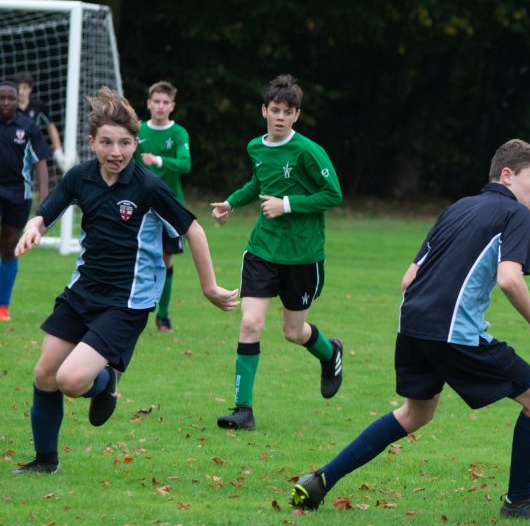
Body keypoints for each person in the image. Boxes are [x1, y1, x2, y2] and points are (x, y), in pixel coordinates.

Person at [290, 139, 530, 524]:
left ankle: (322, 478)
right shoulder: (516, 215)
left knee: (415, 414)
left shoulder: (457, 208)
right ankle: (521, 501)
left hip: (412, 326)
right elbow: (509, 279)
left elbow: (409, 278)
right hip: (453, 332)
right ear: (508, 175)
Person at [13, 87, 238, 475]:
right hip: (82, 290)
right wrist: (32, 229)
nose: (115, 152)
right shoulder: (81, 177)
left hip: (127, 302)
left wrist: (209, 287)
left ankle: (105, 383)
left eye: (124, 143)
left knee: (70, 379)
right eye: (106, 143)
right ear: (91, 143)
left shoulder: (148, 186)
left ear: (136, 143)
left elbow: (194, 230)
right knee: (44, 374)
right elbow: (44, 213)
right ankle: (45, 461)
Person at [211, 74, 344, 431]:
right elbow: (259, 182)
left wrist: (287, 205)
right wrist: (232, 202)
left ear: (297, 115)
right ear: (264, 110)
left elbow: (333, 195)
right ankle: (243, 409)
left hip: (302, 254)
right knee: (251, 322)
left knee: (293, 331)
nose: (280, 116)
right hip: (263, 249)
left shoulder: (308, 151)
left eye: (287, 111)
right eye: (275, 110)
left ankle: (330, 353)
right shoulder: (256, 147)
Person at [138, 80, 191, 332]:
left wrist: (158, 160)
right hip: (140, 205)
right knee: (134, 257)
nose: (160, 106)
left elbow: (185, 164)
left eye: (165, 102)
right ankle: (132, 309)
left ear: (172, 106)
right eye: (156, 101)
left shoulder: (178, 133)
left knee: (166, 260)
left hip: (170, 205)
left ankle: (163, 315)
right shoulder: (137, 131)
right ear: (148, 104)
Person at [0, 79, 51, 323]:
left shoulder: (28, 127)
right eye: (2, 98)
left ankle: (3, 305)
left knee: (9, 247)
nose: (6, 102)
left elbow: (41, 161)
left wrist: (45, 198)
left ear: (16, 101)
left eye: (10, 98)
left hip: (19, 194)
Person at [12, 72, 63, 167]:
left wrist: (58, 150)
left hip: (34, 154)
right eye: (18, 87)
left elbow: (50, 127)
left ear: (30, 89)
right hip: (13, 153)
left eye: (24, 88)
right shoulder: (9, 108)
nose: (21, 91)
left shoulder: (38, 107)